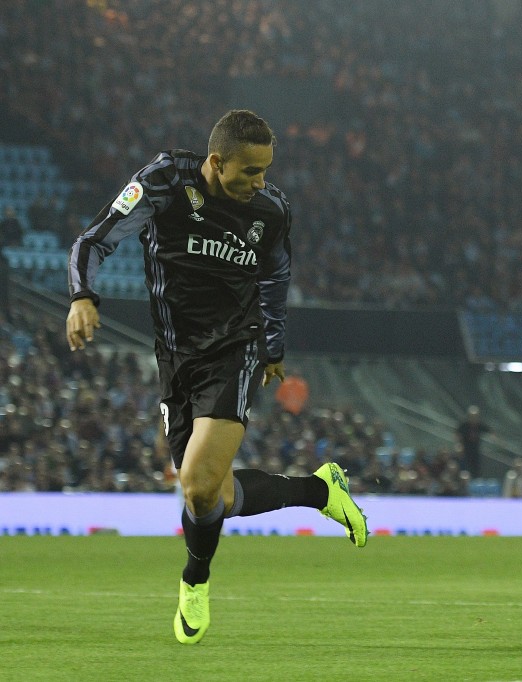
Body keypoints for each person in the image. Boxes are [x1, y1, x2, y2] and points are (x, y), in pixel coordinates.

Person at [65, 110, 368, 645]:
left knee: (201, 483)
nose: (261, 183)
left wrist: (272, 346)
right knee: (207, 497)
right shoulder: (163, 182)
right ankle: (320, 490)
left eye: (266, 171)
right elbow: (95, 238)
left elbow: (275, 276)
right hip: (174, 358)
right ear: (215, 161)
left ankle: (195, 580)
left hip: (236, 347)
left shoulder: (271, 212)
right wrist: (83, 294)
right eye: (250, 172)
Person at [456, 404, 490, 478]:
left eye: (475, 416)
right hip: (466, 450)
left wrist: (499, 441)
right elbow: (458, 434)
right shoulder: (464, 425)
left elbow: (489, 431)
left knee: (476, 469)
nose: (473, 418)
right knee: (465, 468)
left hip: (475, 450)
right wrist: (459, 445)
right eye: (472, 416)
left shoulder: (480, 425)